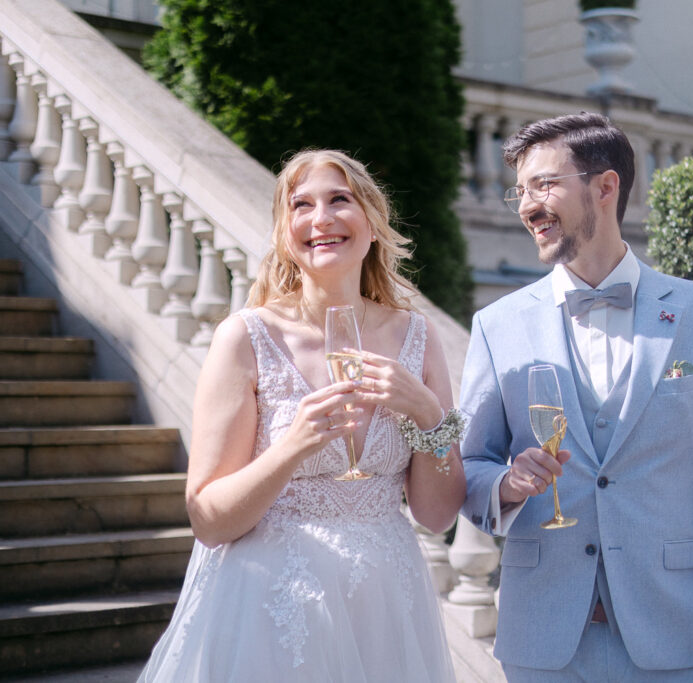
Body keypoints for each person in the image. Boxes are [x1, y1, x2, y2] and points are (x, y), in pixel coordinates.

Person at [459, 113, 693, 682]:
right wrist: (505, 484)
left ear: (605, 187)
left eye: (545, 185)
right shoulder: (496, 326)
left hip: (678, 639)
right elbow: (468, 466)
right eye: (520, 191)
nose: (528, 206)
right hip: (543, 643)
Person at [138, 149, 464, 682]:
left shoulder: (418, 339)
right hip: (271, 605)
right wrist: (292, 446)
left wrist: (427, 413)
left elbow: (437, 515)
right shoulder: (245, 338)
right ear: (284, 231)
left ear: (373, 222)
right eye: (301, 205)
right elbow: (208, 518)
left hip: (386, 602)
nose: (322, 219)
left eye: (340, 200)